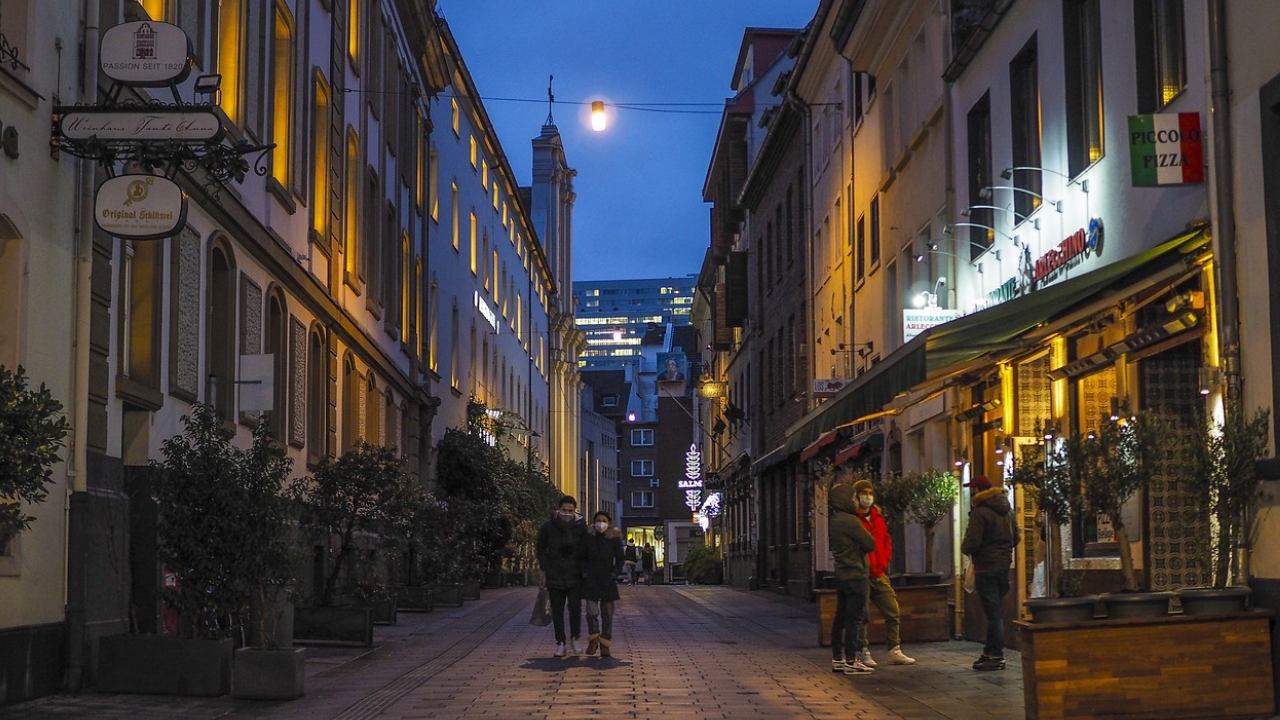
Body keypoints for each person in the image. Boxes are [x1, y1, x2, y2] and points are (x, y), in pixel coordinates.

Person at [852, 479, 916, 667]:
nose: (868, 497)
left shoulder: (878, 518)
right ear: (856, 496)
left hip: (879, 572)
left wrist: (884, 560)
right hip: (862, 574)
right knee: (863, 615)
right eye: (864, 493)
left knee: (893, 610)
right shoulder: (854, 519)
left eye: (870, 493)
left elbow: (885, 540)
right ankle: (863, 650)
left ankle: (894, 649)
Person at [960, 475, 1019, 671]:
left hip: (986, 567)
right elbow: (1016, 537)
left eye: (972, 489)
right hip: (1003, 566)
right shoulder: (1007, 510)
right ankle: (989, 651)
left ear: (977, 490)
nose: (971, 492)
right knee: (996, 611)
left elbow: (972, 542)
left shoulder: (981, 511)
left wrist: (967, 548)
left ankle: (995, 655)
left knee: (993, 614)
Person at [828, 482, 877, 675]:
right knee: (854, 618)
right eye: (854, 497)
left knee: (840, 617)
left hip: (841, 574)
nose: (857, 500)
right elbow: (870, 543)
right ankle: (851, 659)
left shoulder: (834, 520)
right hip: (856, 573)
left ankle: (837, 658)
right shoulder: (850, 520)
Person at [536, 495, 586, 658]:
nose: (566, 514)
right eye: (564, 510)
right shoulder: (548, 527)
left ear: (575, 511)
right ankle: (560, 642)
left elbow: (586, 549)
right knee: (557, 610)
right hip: (555, 574)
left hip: (574, 575)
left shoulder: (580, 528)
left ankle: (575, 638)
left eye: (570, 511)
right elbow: (540, 548)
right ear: (558, 510)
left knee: (575, 608)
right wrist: (545, 567)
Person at [579, 511, 625, 658]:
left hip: (607, 580)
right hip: (591, 580)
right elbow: (582, 557)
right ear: (593, 523)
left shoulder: (614, 539)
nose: (601, 523)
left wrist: (615, 573)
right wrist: (584, 573)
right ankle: (593, 638)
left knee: (607, 615)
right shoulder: (588, 538)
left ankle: (605, 643)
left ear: (609, 523)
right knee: (591, 612)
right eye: (598, 520)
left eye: (604, 520)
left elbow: (620, 559)